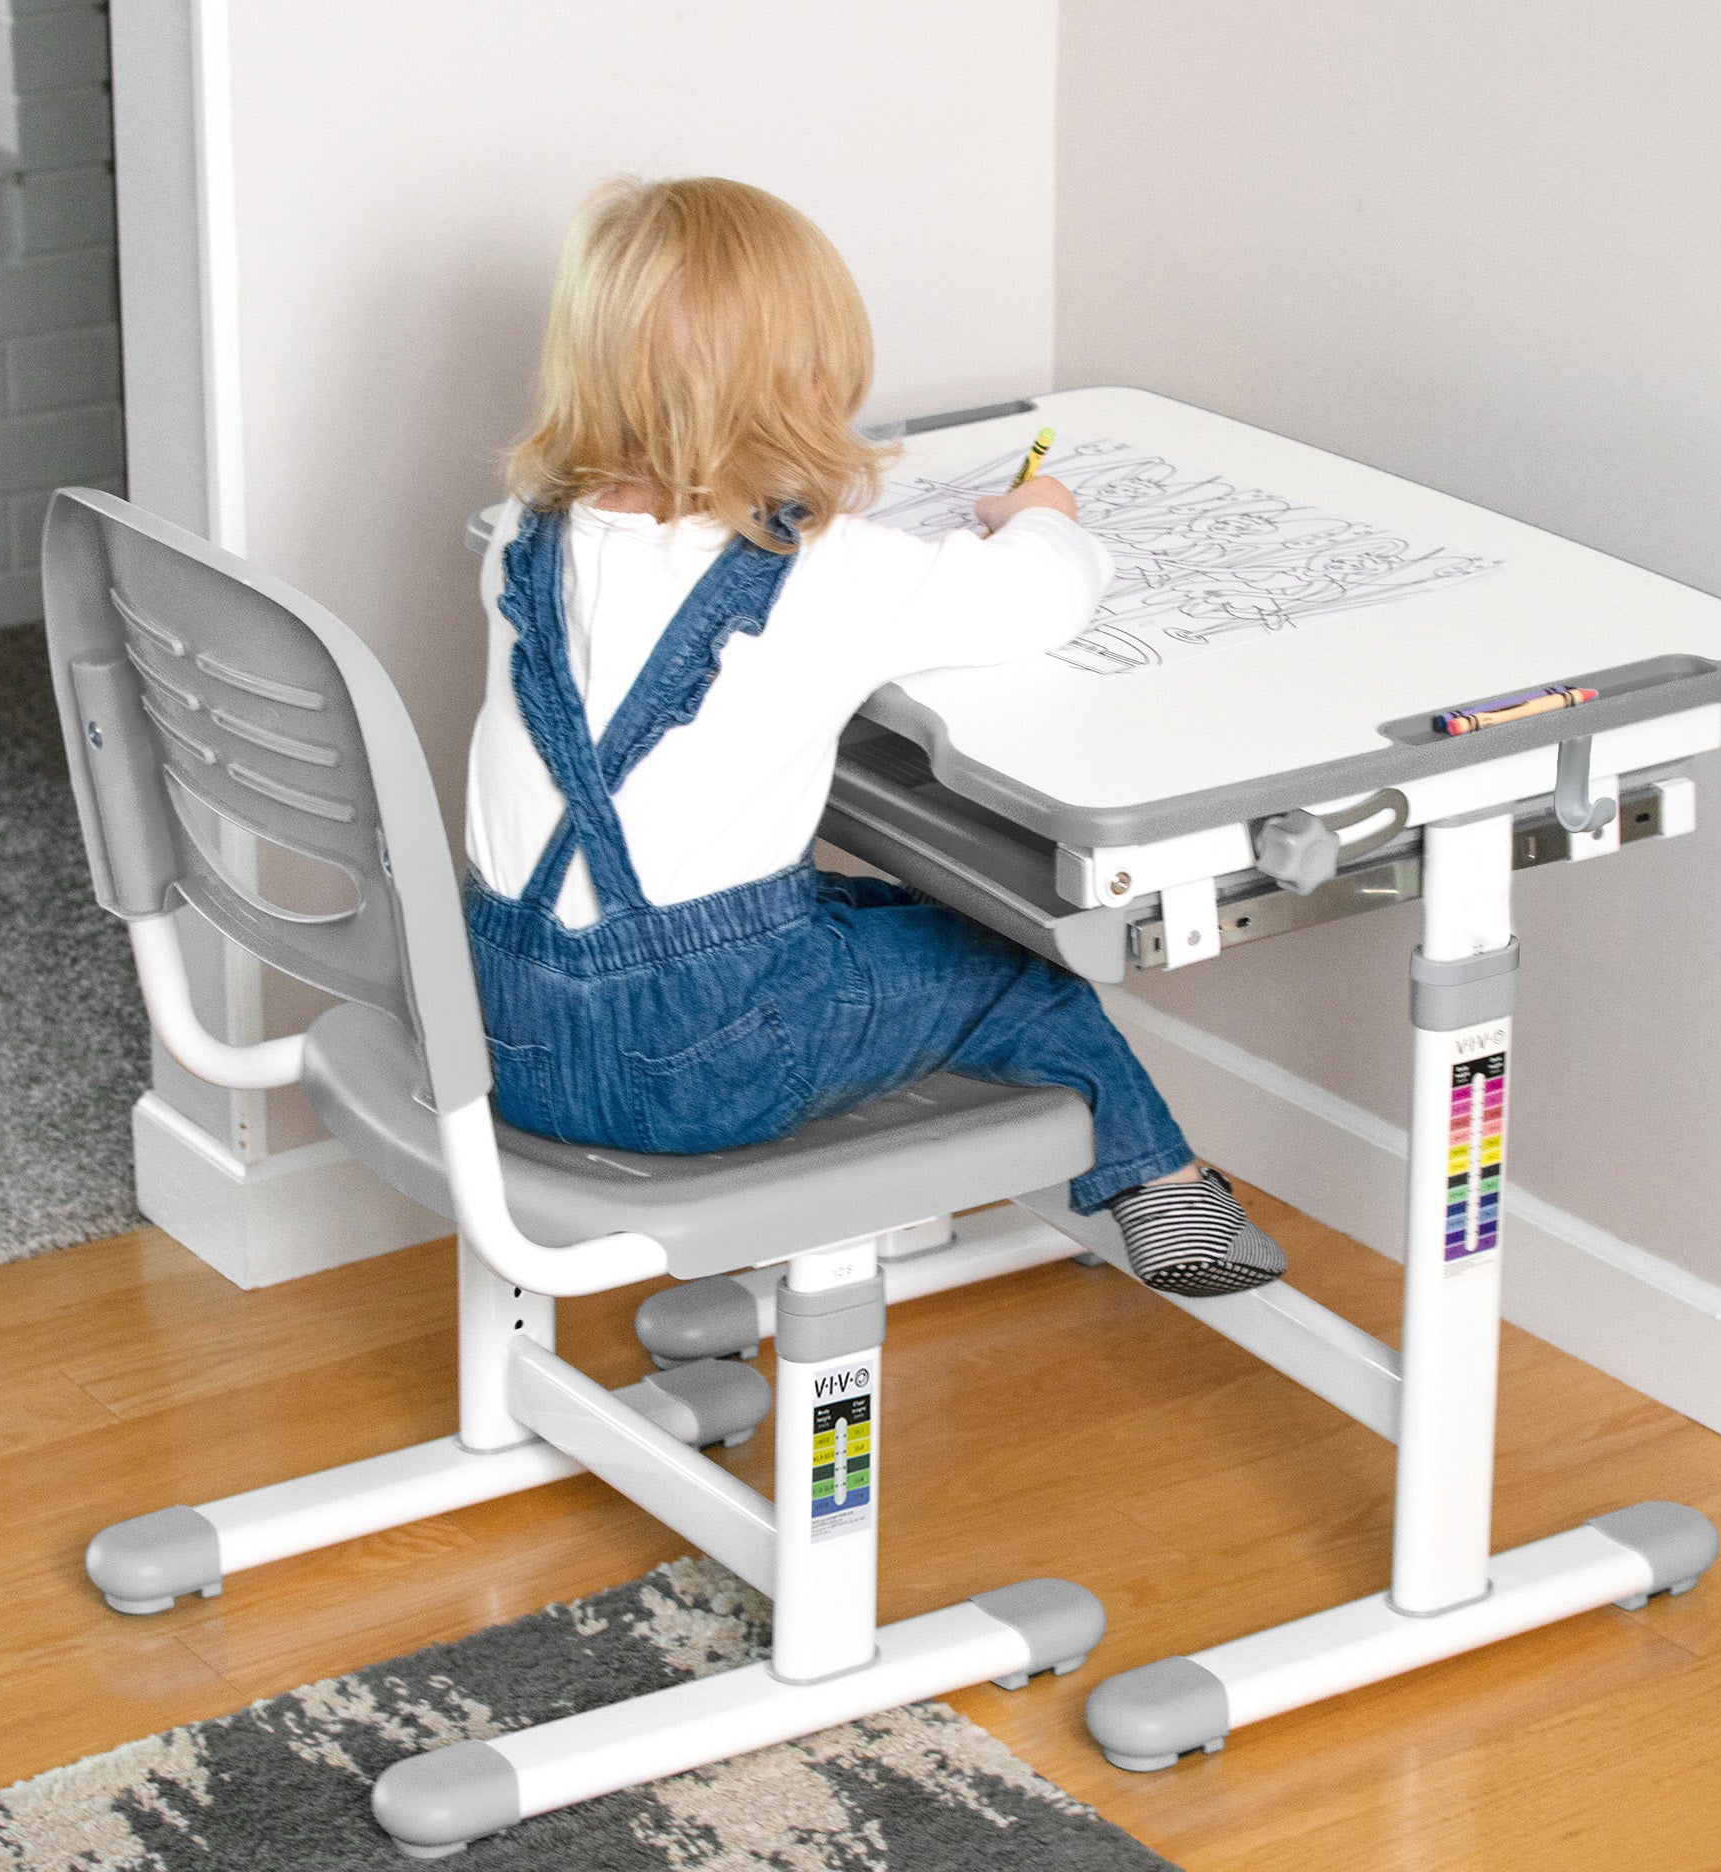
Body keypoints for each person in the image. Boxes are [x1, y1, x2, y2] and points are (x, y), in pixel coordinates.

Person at [463, 176, 1285, 1297]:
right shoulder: (825, 571)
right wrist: (1044, 517)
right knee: (1014, 970)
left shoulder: (525, 532)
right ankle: (1167, 1192)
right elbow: (1041, 596)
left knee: (883, 917)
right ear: (805, 382)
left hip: (508, 1030)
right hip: (701, 1066)